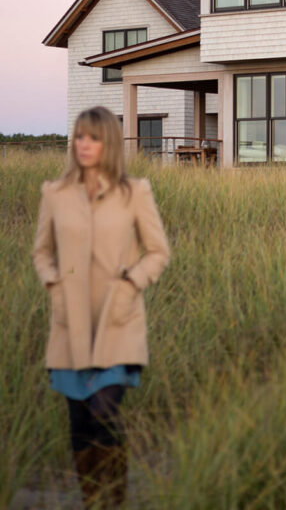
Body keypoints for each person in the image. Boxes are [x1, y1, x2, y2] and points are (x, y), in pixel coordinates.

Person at [33, 106, 170, 508]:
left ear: (109, 142)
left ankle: (114, 501)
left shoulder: (135, 192)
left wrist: (131, 284)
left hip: (118, 322)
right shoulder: (54, 194)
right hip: (69, 326)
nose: (84, 145)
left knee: (103, 411)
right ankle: (94, 502)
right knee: (79, 425)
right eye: (79, 137)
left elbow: (158, 252)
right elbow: (42, 252)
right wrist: (55, 285)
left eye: (93, 137)